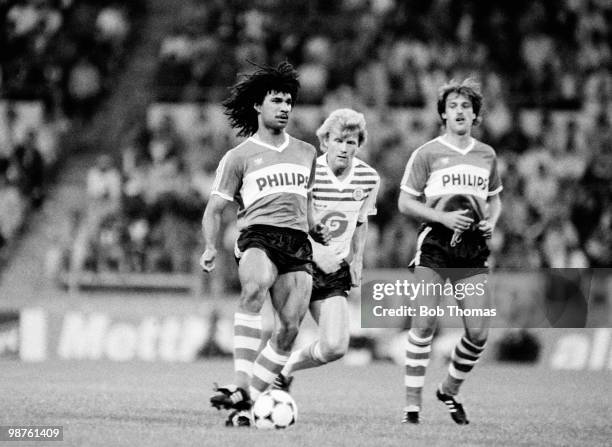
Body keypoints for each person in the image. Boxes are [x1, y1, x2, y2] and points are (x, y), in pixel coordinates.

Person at [200, 62, 322, 426]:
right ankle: (240, 382)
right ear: (258, 105)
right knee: (253, 287)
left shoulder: (307, 152)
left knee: (288, 330)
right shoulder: (238, 157)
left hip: (298, 242)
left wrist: (318, 228)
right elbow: (214, 209)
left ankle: (247, 398)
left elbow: (308, 202)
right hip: (258, 235)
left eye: (289, 101)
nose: (285, 107)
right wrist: (209, 247)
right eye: (277, 101)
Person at [397, 79, 503, 425]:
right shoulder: (427, 153)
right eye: (453, 105)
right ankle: (412, 408)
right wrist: (441, 215)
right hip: (435, 245)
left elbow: (494, 198)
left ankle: (449, 390)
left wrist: (492, 222)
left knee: (478, 333)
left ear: (475, 115)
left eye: (466, 106)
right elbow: (405, 202)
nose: (460, 111)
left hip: (472, 250)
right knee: (424, 322)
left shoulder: (487, 155)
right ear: (443, 113)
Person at [272, 108, 379, 390]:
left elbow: (361, 221)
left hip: (333, 270)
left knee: (335, 346)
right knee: (284, 334)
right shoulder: (307, 172)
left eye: (351, 142)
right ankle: (249, 393)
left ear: (359, 145)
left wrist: (358, 261)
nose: (344, 148)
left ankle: (284, 372)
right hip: (296, 263)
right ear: (325, 142)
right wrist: (315, 249)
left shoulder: (369, 179)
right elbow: (287, 222)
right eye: (338, 140)